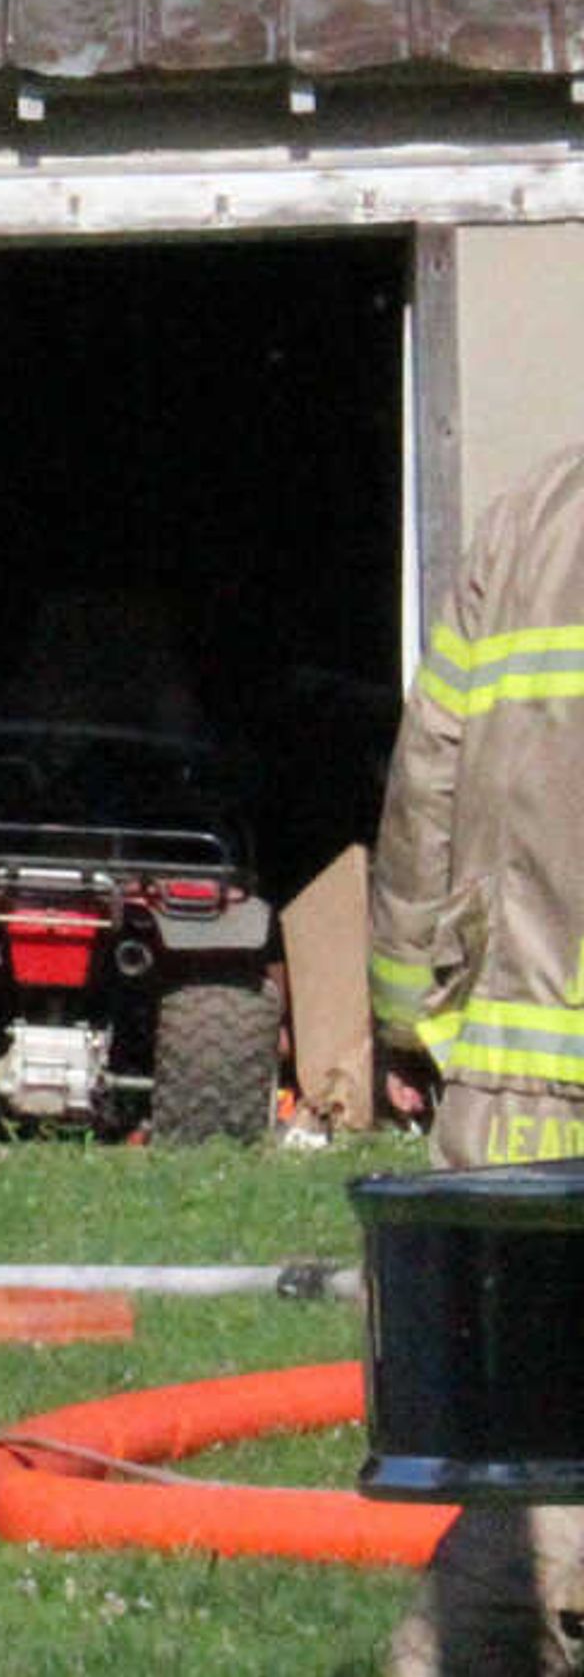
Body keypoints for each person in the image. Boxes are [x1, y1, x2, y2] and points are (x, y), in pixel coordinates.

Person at [369, 438, 584, 1675]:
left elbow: (427, 785)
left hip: (506, 1086)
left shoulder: (521, 523)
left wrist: (409, 1016)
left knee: (518, 1462)